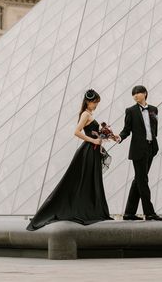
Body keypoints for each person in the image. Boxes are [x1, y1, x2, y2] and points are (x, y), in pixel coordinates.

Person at [26, 89, 113, 231]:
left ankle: (91, 209)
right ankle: (86, 209)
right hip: (88, 151)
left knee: (90, 180)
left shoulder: (89, 114)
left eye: (97, 102)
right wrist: (93, 140)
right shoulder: (85, 114)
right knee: (84, 180)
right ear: (88, 102)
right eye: (95, 102)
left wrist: (106, 136)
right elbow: (76, 132)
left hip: (92, 151)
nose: (96, 105)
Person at [117, 85, 162, 221]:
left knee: (138, 180)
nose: (135, 96)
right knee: (143, 180)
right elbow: (126, 129)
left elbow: (154, 128)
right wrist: (119, 137)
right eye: (133, 94)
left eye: (137, 93)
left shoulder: (154, 109)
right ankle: (149, 213)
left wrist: (152, 141)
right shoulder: (130, 111)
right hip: (138, 150)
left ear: (145, 93)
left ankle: (129, 213)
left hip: (151, 148)